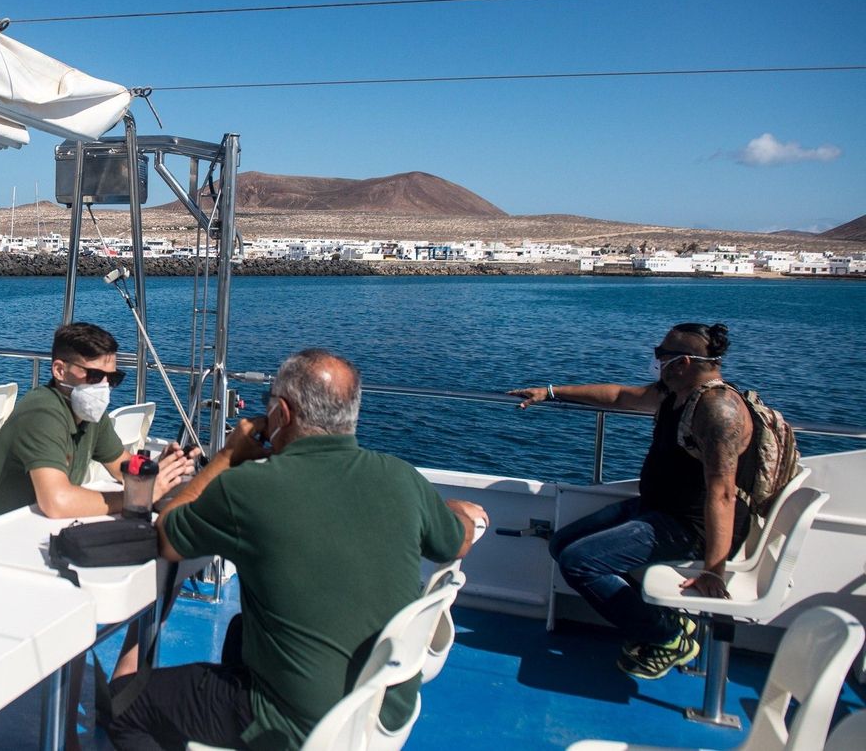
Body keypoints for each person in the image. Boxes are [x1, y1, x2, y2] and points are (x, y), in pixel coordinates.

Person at [108, 349, 486, 751]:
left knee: (122, 706)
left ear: (282, 415)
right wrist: (454, 510)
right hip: (380, 713)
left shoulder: (250, 489)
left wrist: (228, 456)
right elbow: (458, 539)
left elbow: (167, 534)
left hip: (295, 726)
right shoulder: (403, 479)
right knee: (239, 630)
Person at [508, 322, 755, 680]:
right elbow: (622, 396)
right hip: (658, 508)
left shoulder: (718, 412)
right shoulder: (677, 392)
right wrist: (551, 391)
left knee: (579, 562)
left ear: (683, 362)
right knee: (562, 543)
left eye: (661, 354)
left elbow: (723, 492)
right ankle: (660, 619)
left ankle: (669, 636)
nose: (656, 359)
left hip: (689, 526)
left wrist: (714, 570)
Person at [0, 322, 195, 527]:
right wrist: (135, 499)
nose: (104, 386)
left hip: (34, 526)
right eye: (94, 376)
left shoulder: (90, 413)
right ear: (60, 370)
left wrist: (156, 467)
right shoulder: (42, 411)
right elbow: (56, 502)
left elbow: (121, 466)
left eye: (112, 378)